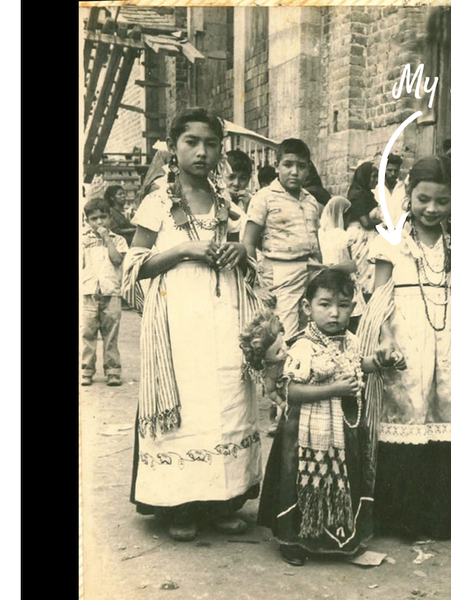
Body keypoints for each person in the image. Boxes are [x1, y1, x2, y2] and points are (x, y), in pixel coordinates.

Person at [121, 107, 263, 542]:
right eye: (192, 142)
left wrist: (241, 252)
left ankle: (221, 502)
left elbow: (247, 250)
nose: (202, 152)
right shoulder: (158, 202)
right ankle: (178, 505)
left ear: (221, 150)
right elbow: (134, 266)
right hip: (177, 321)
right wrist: (185, 249)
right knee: (186, 406)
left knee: (224, 401)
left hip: (224, 318)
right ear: (173, 147)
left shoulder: (225, 202)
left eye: (211, 144)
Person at [358, 155, 451, 541]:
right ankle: (398, 514)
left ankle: (435, 510)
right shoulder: (394, 236)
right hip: (403, 335)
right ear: (409, 195)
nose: (432, 208)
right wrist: (385, 336)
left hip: (443, 338)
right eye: (423, 199)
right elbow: (378, 294)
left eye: (442, 201)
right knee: (404, 412)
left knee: (441, 410)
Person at [257, 269, 395, 566]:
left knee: (339, 480)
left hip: (343, 428)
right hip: (305, 430)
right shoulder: (303, 346)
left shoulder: (350, 341)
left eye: (343, 306)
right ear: (307, 308)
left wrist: (380, 361)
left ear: (352, 308)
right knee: (303, 483)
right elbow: (291, 391)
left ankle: (335, 537)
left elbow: (357, 364)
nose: (334, 313)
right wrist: (334, 389)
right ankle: (293, 541)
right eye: (325, 304)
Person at [243, 138, 322, 342]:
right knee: (285, 335)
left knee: (312, 331)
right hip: (279, 273)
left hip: (309, 271)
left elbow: (315, 241)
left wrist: (320, 273)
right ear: (277, 166)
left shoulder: (311, 201)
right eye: (288, 165)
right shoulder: (264, 197)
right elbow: (248, 242)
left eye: (301, 166)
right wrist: (256, 285)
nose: (294, 172)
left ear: (308, 169)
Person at [81, 198, 128, 387]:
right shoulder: (83, 240)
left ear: (110, 217)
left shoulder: (118, 240)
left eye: (103, 217)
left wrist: (107, 239)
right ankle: (86, 370)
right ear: (87, 221)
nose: (99, 222)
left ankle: (113, 371)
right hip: (88, 293)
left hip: (111, 293)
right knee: (87, 333)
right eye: (94, 219)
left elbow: (117, 260)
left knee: (111, 334)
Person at [317, 195, 367, 333]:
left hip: (326, 278)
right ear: (342, 216)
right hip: (344, 276)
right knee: (353, 314)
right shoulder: (344, 236)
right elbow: (350, 260)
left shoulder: (320, 234)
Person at [345, 162, 382, 303]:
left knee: (370, 273)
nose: (376, 180)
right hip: (360, 237)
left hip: (367, 236)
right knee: (363, 273)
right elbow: (365, 223)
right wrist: (381, 224)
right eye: (373, 177)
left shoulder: (366, 194)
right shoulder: (358, 195)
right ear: (364, 176)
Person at [372, 153, 405, 229]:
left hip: (401, 232)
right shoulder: (375, 190)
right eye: (389, 170)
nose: (393, 174)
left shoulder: (404, 189)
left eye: (396, 171)